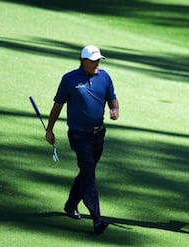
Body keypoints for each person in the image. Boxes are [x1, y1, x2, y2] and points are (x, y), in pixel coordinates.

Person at [45, 45, 119, 234]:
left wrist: (114, 109)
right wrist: (50, 129)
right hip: (79, 135)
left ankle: (71, 205)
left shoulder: (104, 76)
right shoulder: (69, 79)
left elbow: (112, 97)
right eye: (93, 61)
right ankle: (97, 219)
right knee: (89, 173)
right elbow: (58, 106)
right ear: (83, 61)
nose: (97, 64)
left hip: (98, 134)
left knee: (87, 171)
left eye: (98, 61)